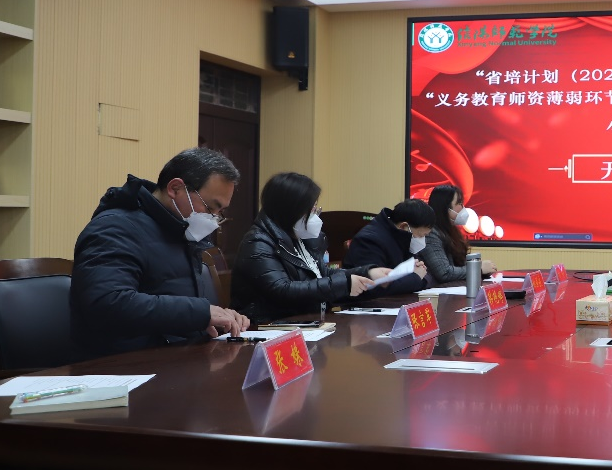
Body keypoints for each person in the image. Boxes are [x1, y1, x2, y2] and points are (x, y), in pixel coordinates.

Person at [70, 147, 251, 358]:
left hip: (177, 357)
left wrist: (220, 319)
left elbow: (177, 303)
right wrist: (199, 313)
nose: (214, 219)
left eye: (220, 212)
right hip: (125, 363)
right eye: (210, 208)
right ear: (175, 188)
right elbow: (107, 302)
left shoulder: (180, 231)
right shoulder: (115, 228)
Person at [232, 172, 388, 324]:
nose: (316, 215)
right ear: (291, 209)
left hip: (306, 324)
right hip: (269, 327)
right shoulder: (258, 242)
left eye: (316, 209)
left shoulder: (299, 237)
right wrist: (344, 284)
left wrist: (367, 273)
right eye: (312, 210)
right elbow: (282, 290)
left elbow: (322, 274)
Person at [342, 199, 431, 297]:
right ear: (404, 227)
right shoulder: (369, 241)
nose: (422, 240)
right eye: (421, 235)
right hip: (365, 304)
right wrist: (416, 277)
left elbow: (416, 275)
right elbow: (376, 287)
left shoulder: (401, 238)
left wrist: (418, 270)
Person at [419, 184, 496, 283]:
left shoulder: (452, 231)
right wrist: (478, 269)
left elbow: (459, 266)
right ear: (445, 208)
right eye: (459, 203)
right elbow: (444, 273)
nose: (463, 207)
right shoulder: (431, 234)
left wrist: (483, 269)